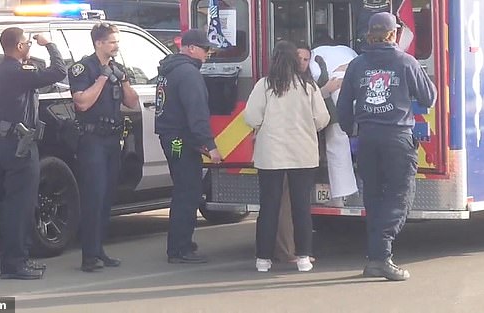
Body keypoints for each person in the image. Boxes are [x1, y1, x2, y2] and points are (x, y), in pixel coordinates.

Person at [336, 12, 436, 281]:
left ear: (369, 34)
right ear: (393, 34)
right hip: (397, 138)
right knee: (399, 195)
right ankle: (382, 256)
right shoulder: (406, 62)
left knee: (374, 198)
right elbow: (429, 97)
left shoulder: (357, 65)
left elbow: (343, 108)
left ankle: (375, 258)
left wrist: (352, 131)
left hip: (367, 139)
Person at [0, 28, 67, 279]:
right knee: (21, 207)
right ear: (19, 46)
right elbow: (59, 71)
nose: (30, 45)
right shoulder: (16, 73)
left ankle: (18, 259)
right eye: (28, 42)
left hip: (5, 143)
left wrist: (3, 133)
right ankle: (14, 264)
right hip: (20, 146)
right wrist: (49, 44)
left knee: (15, 205)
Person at [244, 40, 329, 273]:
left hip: (270, 156)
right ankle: (303, 258)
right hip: (303, 155)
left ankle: (263, 259)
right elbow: (322, 119)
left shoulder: (264, 85)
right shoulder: (307, 86)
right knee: (301, 207)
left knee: (269, 207)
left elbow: (251, 117)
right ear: (294, 61)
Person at [68, 22, 140, 272]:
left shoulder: (118, 68)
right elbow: (82, 103)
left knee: (107, 197)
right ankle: (88, 256)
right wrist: (101, 78)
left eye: (117, 42)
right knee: (94, 197)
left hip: (112, 140)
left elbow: (132, 103)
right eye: (112, 41)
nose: (116, 46)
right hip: (92, 140)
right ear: (98, 43)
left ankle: (99, 249)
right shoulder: (82, 68)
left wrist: (123, 81)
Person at [154, 29, 223, 264]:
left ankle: (180, 243)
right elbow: (197, 114)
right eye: (205, 50)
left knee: (182, 186)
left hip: (172, 139)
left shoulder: (170, 69)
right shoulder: (188, 73)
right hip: (180, 139)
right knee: (188, 191)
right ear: (191, 48)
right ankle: (179, 248)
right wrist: (210, 145)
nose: (207, 55)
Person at [310, 44, 360, 205]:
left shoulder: (315, 54)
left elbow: (316, 78)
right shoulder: (348, 51)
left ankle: (340, 195)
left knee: (336, 142)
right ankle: (350, 192)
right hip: (357, 90)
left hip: (335, 92)